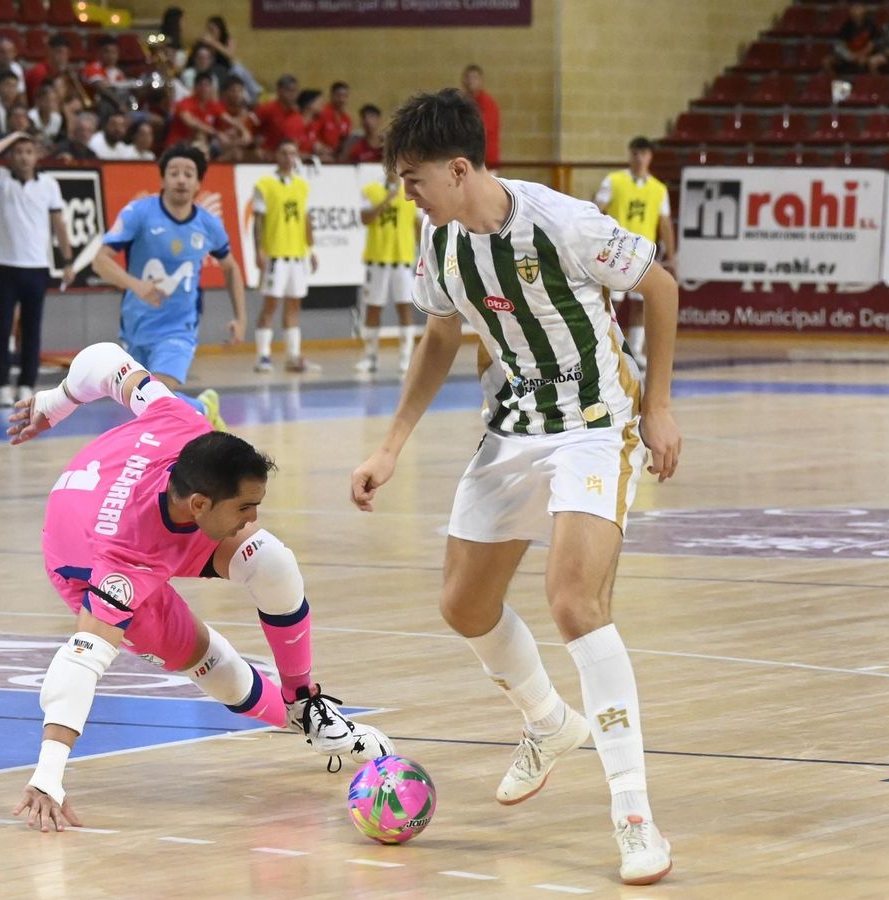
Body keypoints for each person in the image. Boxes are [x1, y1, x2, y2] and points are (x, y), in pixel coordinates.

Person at [349, 89, 682, 886]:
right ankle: (548, 722)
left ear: (459, 169)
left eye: (413, 178)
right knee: (463, 605)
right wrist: (392, 444)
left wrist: (661, 407)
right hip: (514, 427)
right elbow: (439, 334)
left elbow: (660, 287)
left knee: (573, 602)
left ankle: (634, 816)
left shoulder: (562, 222)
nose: (406, 193)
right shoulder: (439, 243)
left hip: (597, 423)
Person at [4, 341, 393, 831]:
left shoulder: (182, 421)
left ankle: (303, 700)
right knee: (208, 659)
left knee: (269, 558)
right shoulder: (123, 561)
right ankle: (291, 719)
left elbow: (105, 359)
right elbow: (79, 663)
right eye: (245, 508)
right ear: (201, 505)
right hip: (82, 554)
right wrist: (48, 773)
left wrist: (55, 401)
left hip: (133, 500)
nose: (254, 517)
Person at [92, 144, 245, 429]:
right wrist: (137, 286)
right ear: (162, 179)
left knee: (157, 393)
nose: (181, 179)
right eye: (174, 173)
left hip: (179, 327)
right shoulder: (139, 212)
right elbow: (100, 261)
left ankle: (174, 457)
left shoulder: (208, 224)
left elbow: (231, 268)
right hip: (136, 324)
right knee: (144, 401)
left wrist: (240, 318)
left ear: (199, 183)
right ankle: (202, 407)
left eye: (189, 174)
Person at [0, 128, 72, 407]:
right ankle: (2, 383)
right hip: (4, 265)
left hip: (37, 266)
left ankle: (27, 383)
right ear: (10, 156)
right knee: (2, 327)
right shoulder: (1, 180)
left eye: (29, 151)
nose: (24, 157)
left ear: (37, 155)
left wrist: (67, 260)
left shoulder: (49, 185)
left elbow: (59, 224)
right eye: (18, 152)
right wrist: (13, 136)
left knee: (31, 328)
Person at [594, 136, 674, 367]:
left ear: (650, 157)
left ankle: (636, 350)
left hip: (643, 253)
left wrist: (671, 256)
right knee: (612, 303)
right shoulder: (614, 181)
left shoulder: (659, 189)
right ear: (630, 155)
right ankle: (605, 347)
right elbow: (596, 209)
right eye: (635, 153)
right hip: (616, 252)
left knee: (640, 303)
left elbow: (665, 223)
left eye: (644, 153)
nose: (639, 158)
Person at [251, 139, 316, 373]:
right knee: (270, 305)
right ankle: (263, 356)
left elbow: (305, 219)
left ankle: (292, 356)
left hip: (297, 256)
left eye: (293, 152)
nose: (289, 157)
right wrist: (258, 250)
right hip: (275, 256)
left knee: (294, 306)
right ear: (276, 156)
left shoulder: (301, 185)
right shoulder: (264, 184)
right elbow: (257, 221)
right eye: (284, 152)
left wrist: (311, 250)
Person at [356, 169, 420, 375]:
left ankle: (405, 358)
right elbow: (365, 218)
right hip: (377, 259)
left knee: (404, 308)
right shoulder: (371, 190)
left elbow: (418, 226)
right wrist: (386, 199)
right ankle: (370, 357)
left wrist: (426, 256)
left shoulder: (411, 191)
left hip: (402, 259)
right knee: (373, 308)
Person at [461, 64, 500, 169]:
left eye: (474, 78)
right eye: (468, 78)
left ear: (481, 80)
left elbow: (483, 130)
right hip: (465, 160)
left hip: (486, 162)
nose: (470, 82)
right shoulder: (460, 102)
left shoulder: (489, 104)